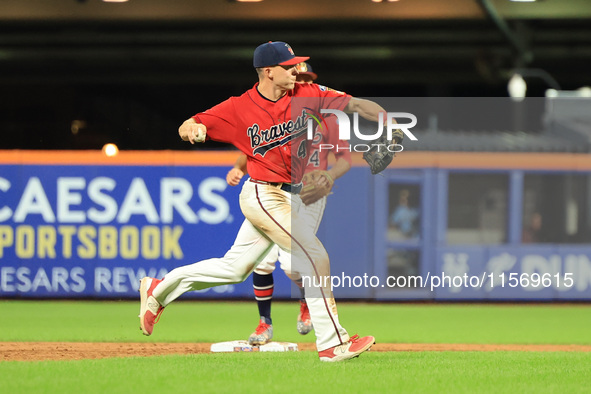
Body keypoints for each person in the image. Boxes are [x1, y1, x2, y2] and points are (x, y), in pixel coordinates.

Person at [139, 41, 391, 362]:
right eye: (289, 66)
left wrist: (387, 120)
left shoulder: (308, 93)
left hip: (289, 194)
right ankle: (332, 343)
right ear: (269, 72)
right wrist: (193, 130)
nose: (295, 71)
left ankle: (158, 290)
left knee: (233, 269)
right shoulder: (237, 108)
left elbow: (356, 105)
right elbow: (189, 124)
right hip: (264, 192)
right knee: (314, 255)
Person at [225, 62, 352, 346]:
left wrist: (328, 176)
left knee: (293, 265)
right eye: (296, 76)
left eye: (305, 78)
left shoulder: (328, 118)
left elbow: (345, 159)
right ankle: (264, 323)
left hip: (306, 192)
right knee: (261, 261)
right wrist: (237, 167)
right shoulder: (274, 111)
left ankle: (307, 301)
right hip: (272, 190)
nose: (299, 82)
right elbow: (253, 149)